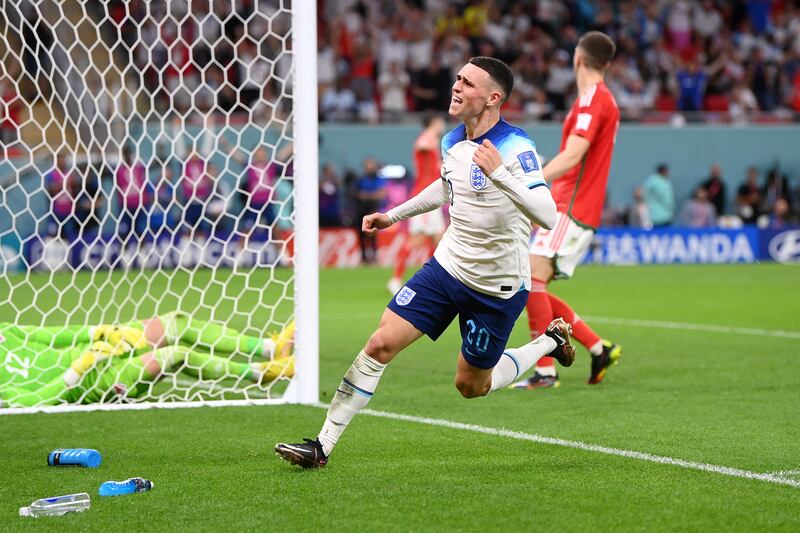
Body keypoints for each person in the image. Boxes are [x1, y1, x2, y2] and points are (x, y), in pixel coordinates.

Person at [275, 56, 574, 469]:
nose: (456, 86)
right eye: (457, 78)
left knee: (471, 386)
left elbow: (547, 213)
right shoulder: (452, 141)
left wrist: (501, 174)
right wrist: (392, 215)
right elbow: (447, 187)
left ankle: (548, 342)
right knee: (380, 342)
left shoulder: (516, 146)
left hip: (498, 286)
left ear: (493, 98)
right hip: (447, 268)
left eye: (468, 83)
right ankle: (321, 445)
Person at [520, 31, 622, 390]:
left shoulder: (594, 99)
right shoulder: (593, 99)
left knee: (530, 278)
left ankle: (545, 370)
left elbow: (574, 154)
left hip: (572, 207)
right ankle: (597, 347)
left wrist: (530, 181)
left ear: (578, 57)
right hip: (568, 205)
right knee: (531, 283)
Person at [0, 313, 295, 408]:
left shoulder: (5, 333)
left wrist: (102, 332)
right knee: (174, 355)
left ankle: (269, 347)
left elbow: (49, 336)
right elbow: (33, 403)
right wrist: (80, 368)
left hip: (98, 351)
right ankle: (260, 372)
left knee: (173, 323)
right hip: (91, 382)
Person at [387, 113, 447, 294]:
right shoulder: (427, 138)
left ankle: (433, 279)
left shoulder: (434, 142)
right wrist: (428, 143)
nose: (442, 125)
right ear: (435, 122)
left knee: (439, 239)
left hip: (433, 196)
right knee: (417, 240)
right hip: (424, 197)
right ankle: (396, 278)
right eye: (440, 122)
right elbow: (421, 146)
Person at [354, 158, 387, 264]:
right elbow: (356, 194)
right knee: (361, 235)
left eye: (371, 165)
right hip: (361, 211)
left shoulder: (377, 179)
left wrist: (367, 195)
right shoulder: (361, 179)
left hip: (373, 210)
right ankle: (363, 258)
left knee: (373, 234)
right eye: (367, 165)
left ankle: (374, 258)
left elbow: (381, 194)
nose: (369, 167)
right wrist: (371, 195)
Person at [643, 163, 675, 228]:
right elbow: (667, 199)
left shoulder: (650, 181)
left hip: (654, 215)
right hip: (661, 216)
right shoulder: (659, 182)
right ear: (663, 171)